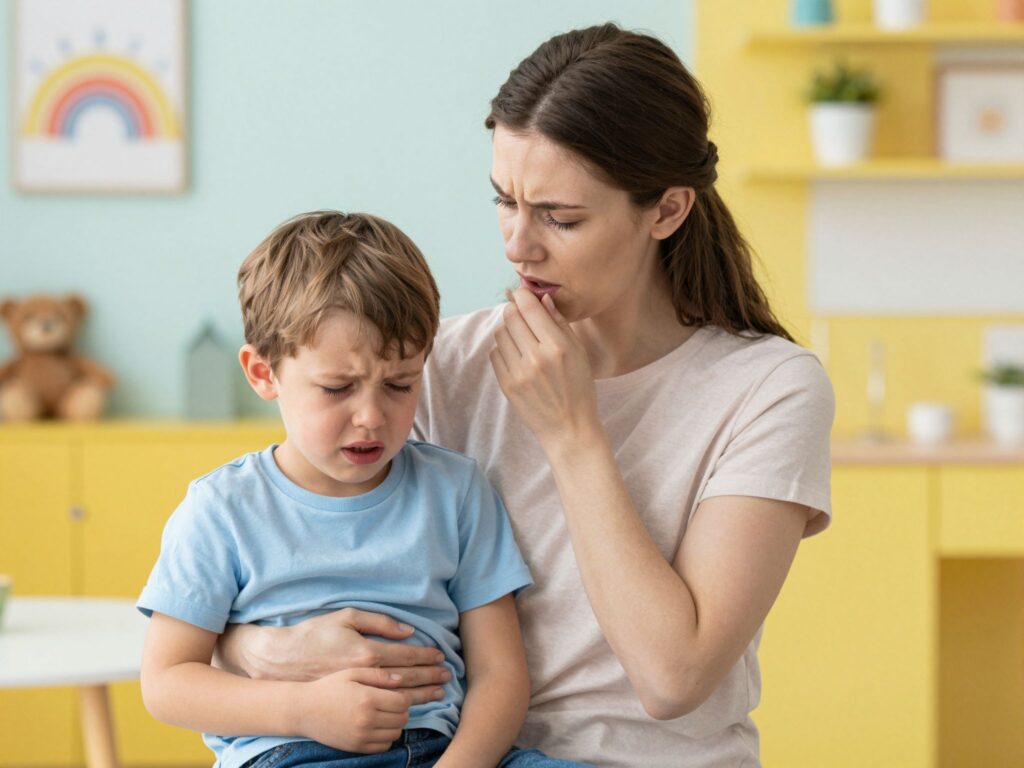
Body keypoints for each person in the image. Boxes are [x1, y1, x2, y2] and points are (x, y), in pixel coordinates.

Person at [219, 24, 835, 768]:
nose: (518, 244)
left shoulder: (767, 389)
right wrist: (260, 647)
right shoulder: (437, 365)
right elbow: (272, 559)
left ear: (667, 211)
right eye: (505, 201)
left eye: (560, 217)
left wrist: (573, 433)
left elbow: (674, 677)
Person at [137, 211, 589, 768]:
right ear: (263, 374)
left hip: (447, 754)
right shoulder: (221, 509)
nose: (372, 416)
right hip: (293, 752)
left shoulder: (457, 491)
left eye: (400, 384)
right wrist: (302, 709)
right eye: (337, 388)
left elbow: (500, 675)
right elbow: (167, 683)